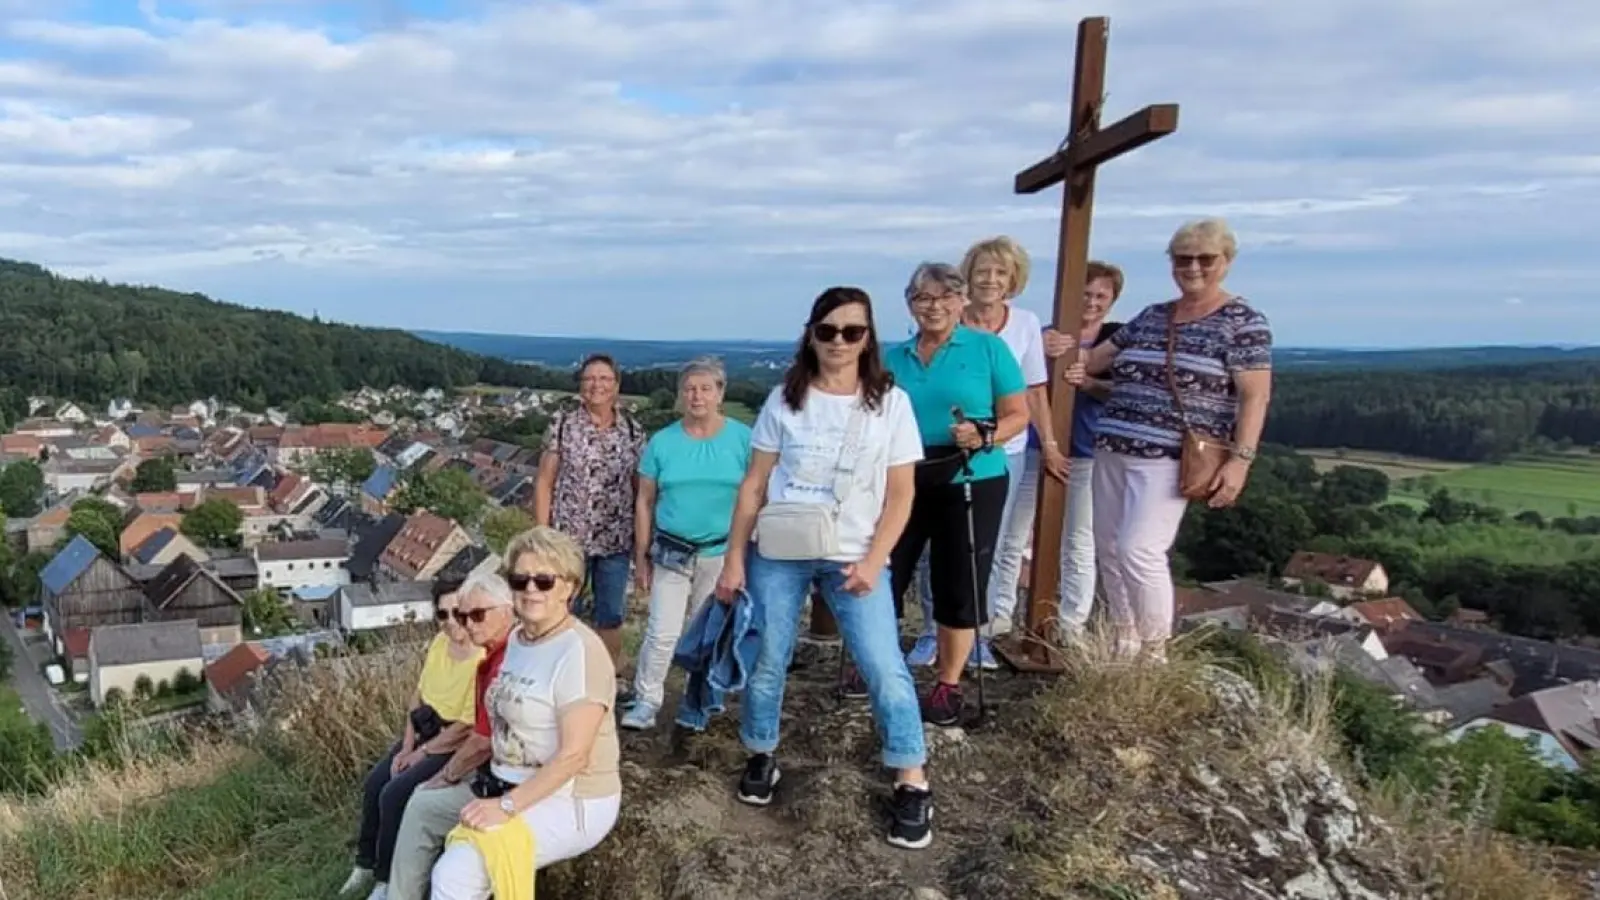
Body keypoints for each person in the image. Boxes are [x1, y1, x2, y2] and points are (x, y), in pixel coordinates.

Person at [713, 286, 934, 850]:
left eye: (851, 332)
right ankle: (762, 753)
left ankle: (911, 776)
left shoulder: (890, 404)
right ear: (811, 334)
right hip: (780, 551)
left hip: (855, 552)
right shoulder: (785, 400)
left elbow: (902, 494)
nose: (838, 342)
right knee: (767, 658)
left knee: (884, 663)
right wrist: (734, 558)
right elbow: (754, 486)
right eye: (828, 330)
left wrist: (875, 560)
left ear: (868, 339)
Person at [1064, 218, 1272, 661]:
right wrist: (1057, 348)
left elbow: (1255, 397)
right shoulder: (1153, 316)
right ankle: (1124, 644)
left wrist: (1240, 461)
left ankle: (1155, 654)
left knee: (1139, 549)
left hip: (1170, 456)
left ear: (1226, 262)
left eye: (1205, 258)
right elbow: (1095, 359)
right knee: (1108, 549)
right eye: (1183, 259)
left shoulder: (1243, 321)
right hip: (1112, 445)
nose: (1192, 267)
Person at [427, 526, 622, 899]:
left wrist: (506, 806)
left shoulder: (579, 652)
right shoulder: (518, 640)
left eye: (544, 580)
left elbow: (574, 755)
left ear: (570, 587)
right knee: (443, 832)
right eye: (521, 579)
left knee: (456, 874)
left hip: (572, 798)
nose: (531, 590)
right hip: (508, 781)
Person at [875, 262, 1027, 726]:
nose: (934, 306)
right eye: (923, 298)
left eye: (945, 297)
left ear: (962, 302)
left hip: (970, 474)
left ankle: (948, 683)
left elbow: (1019, 414)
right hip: (903, 473)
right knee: (886, 571)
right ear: (909, 305)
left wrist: (984, 435)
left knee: (959, 578)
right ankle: (880, 669)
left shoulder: (988, 349)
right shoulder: (894, 358)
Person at [622, 356, 753, 731]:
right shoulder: (662, 443)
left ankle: (701, 703)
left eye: (705, 388)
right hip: (671, 551)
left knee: (708, 633)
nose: (697, 396)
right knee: (662, 631)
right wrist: (641, 554)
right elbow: (644, 501)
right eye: (690, 389)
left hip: (722, 551)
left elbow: (755, 495)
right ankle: (647, 700)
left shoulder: (743, 439)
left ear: (720, 393)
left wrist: (743, 553)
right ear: (681, 395)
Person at [340, 579, 485, 900]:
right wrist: (406, 746)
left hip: (450, 741)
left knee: (395, 794)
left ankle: (386, 879)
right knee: (375, 782)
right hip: (424, 729)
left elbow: (464, 726)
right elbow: (417, 697)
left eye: (458, 614)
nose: (451, 623)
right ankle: (364, 862)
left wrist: (419, 755)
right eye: (443, 615)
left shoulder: (482, 658)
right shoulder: (438, 643)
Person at [386, 573, 517, 900]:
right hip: (489, 767)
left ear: (507, 610)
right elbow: (418, 696)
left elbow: (478, 737)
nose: (466, 624)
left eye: (475, 615)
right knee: (389, 788)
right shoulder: (490, 656)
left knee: (414, 798)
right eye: (457, 615)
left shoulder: (503, 662)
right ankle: (387, 882)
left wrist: (445, 774)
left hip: (505, 780)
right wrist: (408, 745)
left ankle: (397, 889)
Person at [533, 354, 645, 674]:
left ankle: (605, 681)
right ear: (581, 386)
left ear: (617, 386)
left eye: (604, 379)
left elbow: (641, 490)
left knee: (610, 614)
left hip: (615, 539)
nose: (596, 385)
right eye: (589, 379)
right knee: (564, 609)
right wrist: (542, 536)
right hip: (568, 539)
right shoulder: (564, 423)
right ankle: (560, 677)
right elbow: (544, 481)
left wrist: (641, 544)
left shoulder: (633, 431)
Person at [1040, 260, 1126, 642]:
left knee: (1078, 539)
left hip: (1089, 449)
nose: (1091, 302)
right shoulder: (1047, 335)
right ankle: (999, 617)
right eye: (1085, 293)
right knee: (1016, 535)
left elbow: (1124, 392)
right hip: (1036, 445)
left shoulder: (1118, 338)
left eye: (1100, 296)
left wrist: (1088, 381)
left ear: (1112, 300)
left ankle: (1071, 625)